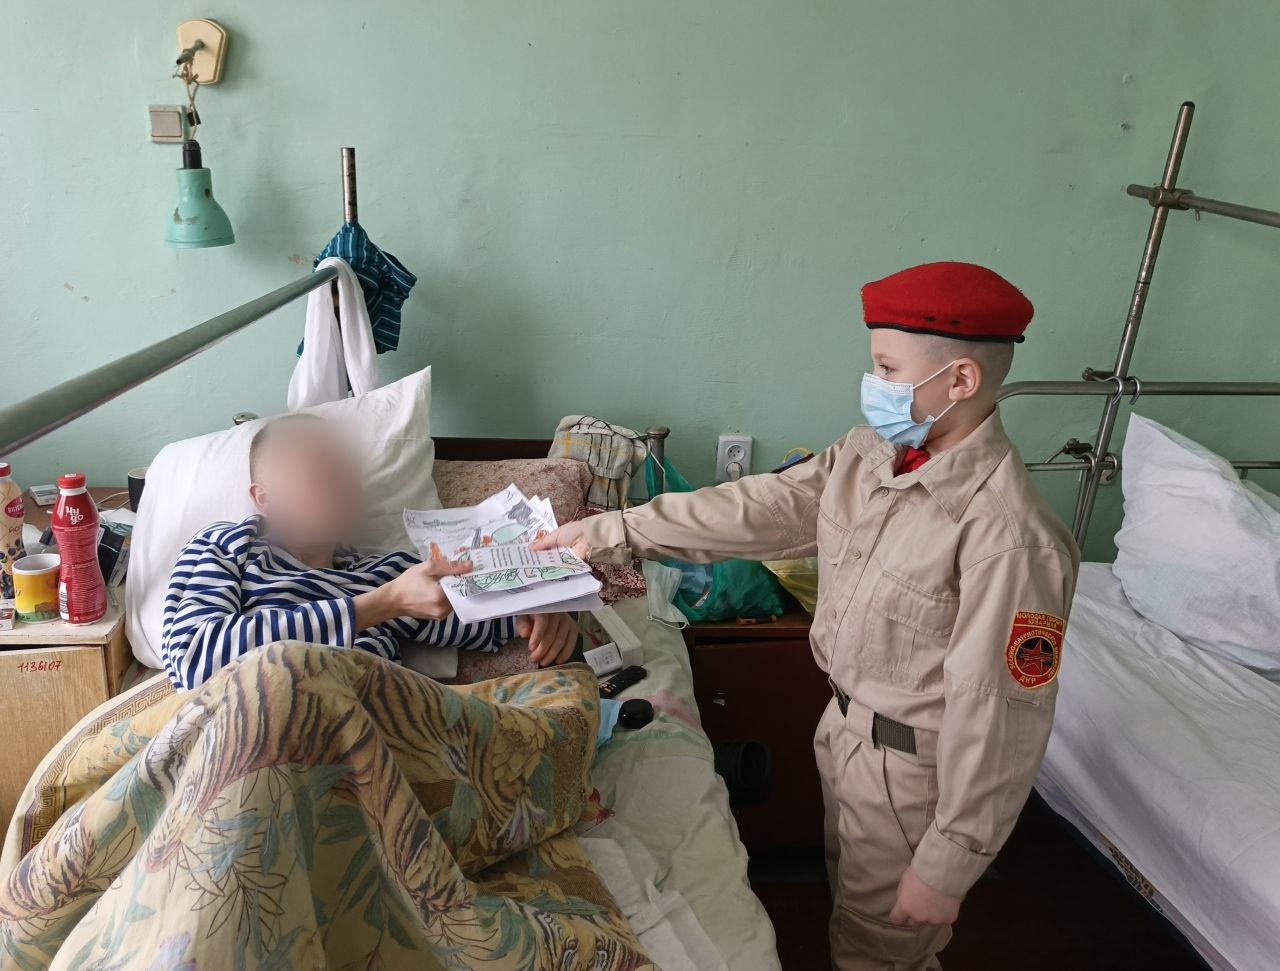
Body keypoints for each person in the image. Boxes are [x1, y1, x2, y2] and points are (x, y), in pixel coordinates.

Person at [535, 261, 1080, 969]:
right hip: (844, 731)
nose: (874, 383)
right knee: (855, 914)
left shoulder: (1010, 538)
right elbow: (759, 508)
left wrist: (951, 860)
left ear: (961, 381)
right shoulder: (873, 455)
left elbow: (1002, 715)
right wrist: (610, 530)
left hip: (915, 776)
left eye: (888, 368)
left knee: (880, 951)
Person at [162, 413, 577, 691]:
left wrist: (542, 609)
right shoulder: (227, 546)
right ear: (264, 498)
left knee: (568, 696)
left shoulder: (388, 575)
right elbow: (196, 661)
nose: (340, 489)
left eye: (345, 475)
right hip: (259, 726)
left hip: (369, 738)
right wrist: (379, 606)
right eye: (318, 476)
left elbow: (482, 615)